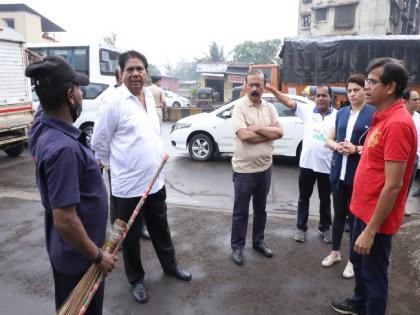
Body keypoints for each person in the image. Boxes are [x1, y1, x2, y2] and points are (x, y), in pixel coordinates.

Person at [91, 50, 191, 304]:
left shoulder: (148, 95)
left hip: (155, 181)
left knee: (160, 227)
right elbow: (99, 143)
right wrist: (116, 167)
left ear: (146, 72)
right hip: (127, 187)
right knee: (130, 237)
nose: (135, 74)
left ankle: (170, 266)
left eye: (140, 69)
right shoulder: (113, 102)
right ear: (121, 73)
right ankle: (136, 280)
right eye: (130, 69)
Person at [27, 55, 117, 314]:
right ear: (69, 95)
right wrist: (99, 257)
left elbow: (44, 104)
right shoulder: (64, 150)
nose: (81, 93)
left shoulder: (42, 126)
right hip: (80, 258)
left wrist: (88, 170)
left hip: (67, 251)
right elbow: (65, 220)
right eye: (78, 89)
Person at [332, 58, 417, 315]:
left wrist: (370, 231)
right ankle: (359, 304)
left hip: (375, 220)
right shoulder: (382, 118)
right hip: (361, 209)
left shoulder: (398, 124)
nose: (365, 86)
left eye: (371, 82)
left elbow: (393, 185)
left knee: (374, 276)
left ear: (390, 87)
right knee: (359, 265)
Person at [267, 84, 336, 243]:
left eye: (324, 95)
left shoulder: (338, 116)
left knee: (325, 199)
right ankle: (300, 227)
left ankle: (325, 227)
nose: (321, 98)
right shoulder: (307, 110)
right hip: (307, 164)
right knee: (303, 198)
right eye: (318, 95)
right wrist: (272, 90)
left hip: (326, 166)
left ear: (330, 97)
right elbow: (288, 101)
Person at [321, 74, 375, 279]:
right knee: (339, 215)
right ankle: (335, 252)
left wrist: (355, 149)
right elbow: (329, 140)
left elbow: (374, 146)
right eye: (349, 90)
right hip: (338, 172)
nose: (352, 93)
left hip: (358, 175)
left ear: (364, 91)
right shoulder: (342, 112)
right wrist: (338, 146)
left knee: (355, 220)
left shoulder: (372, 114)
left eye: (356, 90)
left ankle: (353, 260)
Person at [230, 68, 283, 266]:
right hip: (244, 171)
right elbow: (244, 136)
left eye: (258, 85)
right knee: (240, 212)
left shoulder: (270, 108)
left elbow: (280, 132)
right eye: (251, 84)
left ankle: (258, 242)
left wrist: (257, 129)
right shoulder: (239, 107)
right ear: (246, 85)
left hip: (264, 169)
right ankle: (237, 247)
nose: (254, 88)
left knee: (261, 210)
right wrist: (268, 133)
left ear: (264, 86)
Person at [98, 69, 150, 239]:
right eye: (127, 73)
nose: (133, 77)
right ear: (120, 77)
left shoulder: (138, 98)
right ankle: (116, 236)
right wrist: (107, 162)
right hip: (118, 164)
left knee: (141, 198)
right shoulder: (111, 99)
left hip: (138, 166)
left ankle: (140, 227)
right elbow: (101, 137)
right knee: (117, 203)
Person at [402, 90, 420, 198]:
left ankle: (402, 207)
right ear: (405, 101)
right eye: (414, 99)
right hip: (400, 156)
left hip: (414, 157)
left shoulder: (418, 117)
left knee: (408, 185)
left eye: (418, 99)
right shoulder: (399, 116)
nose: (417, 102)